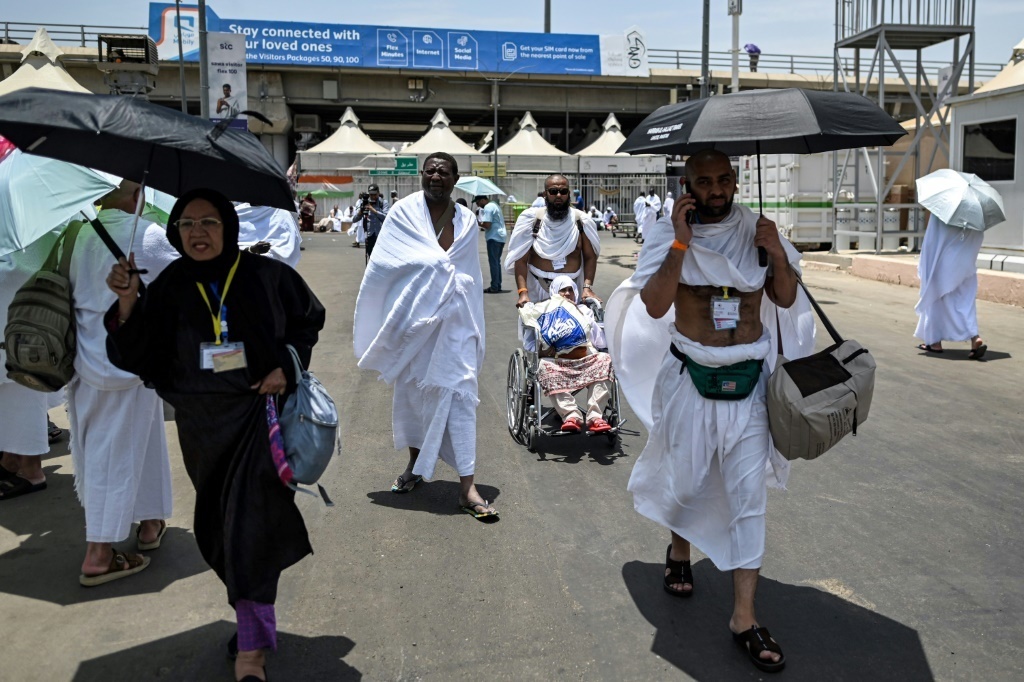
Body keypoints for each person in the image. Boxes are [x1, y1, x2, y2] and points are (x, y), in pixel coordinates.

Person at [605, 149, 816, 674]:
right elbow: (655, 305)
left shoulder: (759, 231)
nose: (717, 190)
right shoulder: (665, 232)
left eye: (724, 180)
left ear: (737, 181)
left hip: (748, 382)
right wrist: (680, 241)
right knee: (687, 482)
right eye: (705, 181)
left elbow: (786, 300)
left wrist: (778, 255)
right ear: (687, 184)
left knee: (748, 498)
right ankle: (680, 551)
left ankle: (744, 617)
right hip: (690, 377)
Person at [105, 188, 325, 681]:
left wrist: (286, 368)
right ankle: (254, 617)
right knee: (219, 529)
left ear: (227, 227)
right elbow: (138, 353)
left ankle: (251, 650)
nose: (197, 233)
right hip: (201, 427)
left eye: (208, 222)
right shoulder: (167, 286)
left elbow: (308, 322)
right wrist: (126, 304)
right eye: (186, 224)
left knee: (250, 527)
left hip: (256, 416)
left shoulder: (265, 275)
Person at [354, 152, 497, 521]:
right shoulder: (402, 213)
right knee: (414, 397)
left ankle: (467, 487)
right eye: (431, 171)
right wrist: (430, 276)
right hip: (417, 327)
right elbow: (384, 266)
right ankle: (414, 467)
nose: (436, 176)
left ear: (455, 178)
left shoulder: (466, 220)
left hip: (456, 327)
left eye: (444, 172)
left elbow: (468, 272)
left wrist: (449, 283)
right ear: (422, 175)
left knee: (462, 397)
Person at [67, 181, 178, 586]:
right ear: (136, 192)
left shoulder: (76, 234)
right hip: (130, 360)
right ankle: (98, 552)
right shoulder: (150, 235)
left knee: (142, 442)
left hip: (86, 361)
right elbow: (185, 278)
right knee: (110, 454)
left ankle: (150, 522)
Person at [0, 231, 58, 501]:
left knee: (22, 394)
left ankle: (31, 471)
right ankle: (12, 460)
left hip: (22, 329)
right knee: (12, 398)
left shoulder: (33, 223)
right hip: (18, 327)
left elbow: (21, 269)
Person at [519, 275, 613, 433]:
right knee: (543, 367)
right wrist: (544, 349)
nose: (567, 293)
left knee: (605, 359)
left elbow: (601, 343)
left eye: (571, 290)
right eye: (563, 290)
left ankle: (596, 417)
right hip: (557, 362)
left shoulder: (584, 311)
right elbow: (530, 345)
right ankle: (571, 415)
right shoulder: (545, 311)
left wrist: (583, 319)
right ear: (555, 292)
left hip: (585, 359)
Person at [505, 174, 601, 308]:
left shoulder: (581, 221)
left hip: (571, 291)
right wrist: (523, 292)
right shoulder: (532, 220)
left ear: (569, 194)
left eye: (563, 191)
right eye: (553, 191)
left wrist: (587, 288)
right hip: (538, 289)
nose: (559, 195)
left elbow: (590, 257)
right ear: (545, 194)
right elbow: (520, 259)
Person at [914, 214, 988, 359]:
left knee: (936, 299)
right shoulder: (975, 213)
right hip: (966, 265)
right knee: (965, 304)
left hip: (944, 263)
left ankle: (935, 342)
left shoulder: (942, 210)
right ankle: (974, 338)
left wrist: (925, 267)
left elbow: (932, 242)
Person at [236, 203, 302, 269]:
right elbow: (229, 248)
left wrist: (267, 255)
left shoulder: (281, 213)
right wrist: (251, 250)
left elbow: (288, 248)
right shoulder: (236, 212)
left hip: (271, 270)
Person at [476, 194, 507, 293]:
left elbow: (487, 224)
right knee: (496, 262)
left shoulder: (488, 207)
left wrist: (478, 222)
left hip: (493, 237)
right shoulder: (495, 205)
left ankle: (494, 286)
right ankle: (497, 285)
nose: (477, 204)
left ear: (483, 200)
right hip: (500, 236)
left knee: (493, 262)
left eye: (478, 202)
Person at [353, 184, 389, 259]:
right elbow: (354, 219)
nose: (372, 197)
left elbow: (386, 217)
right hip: (370, 235)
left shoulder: (383, 203)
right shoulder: (365, 203)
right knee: (372, 258)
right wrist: (361, 211)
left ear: (378, 193)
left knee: (382, 258)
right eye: (371, 195)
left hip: (381, 235)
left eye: (374, 195)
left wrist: (374, 211)